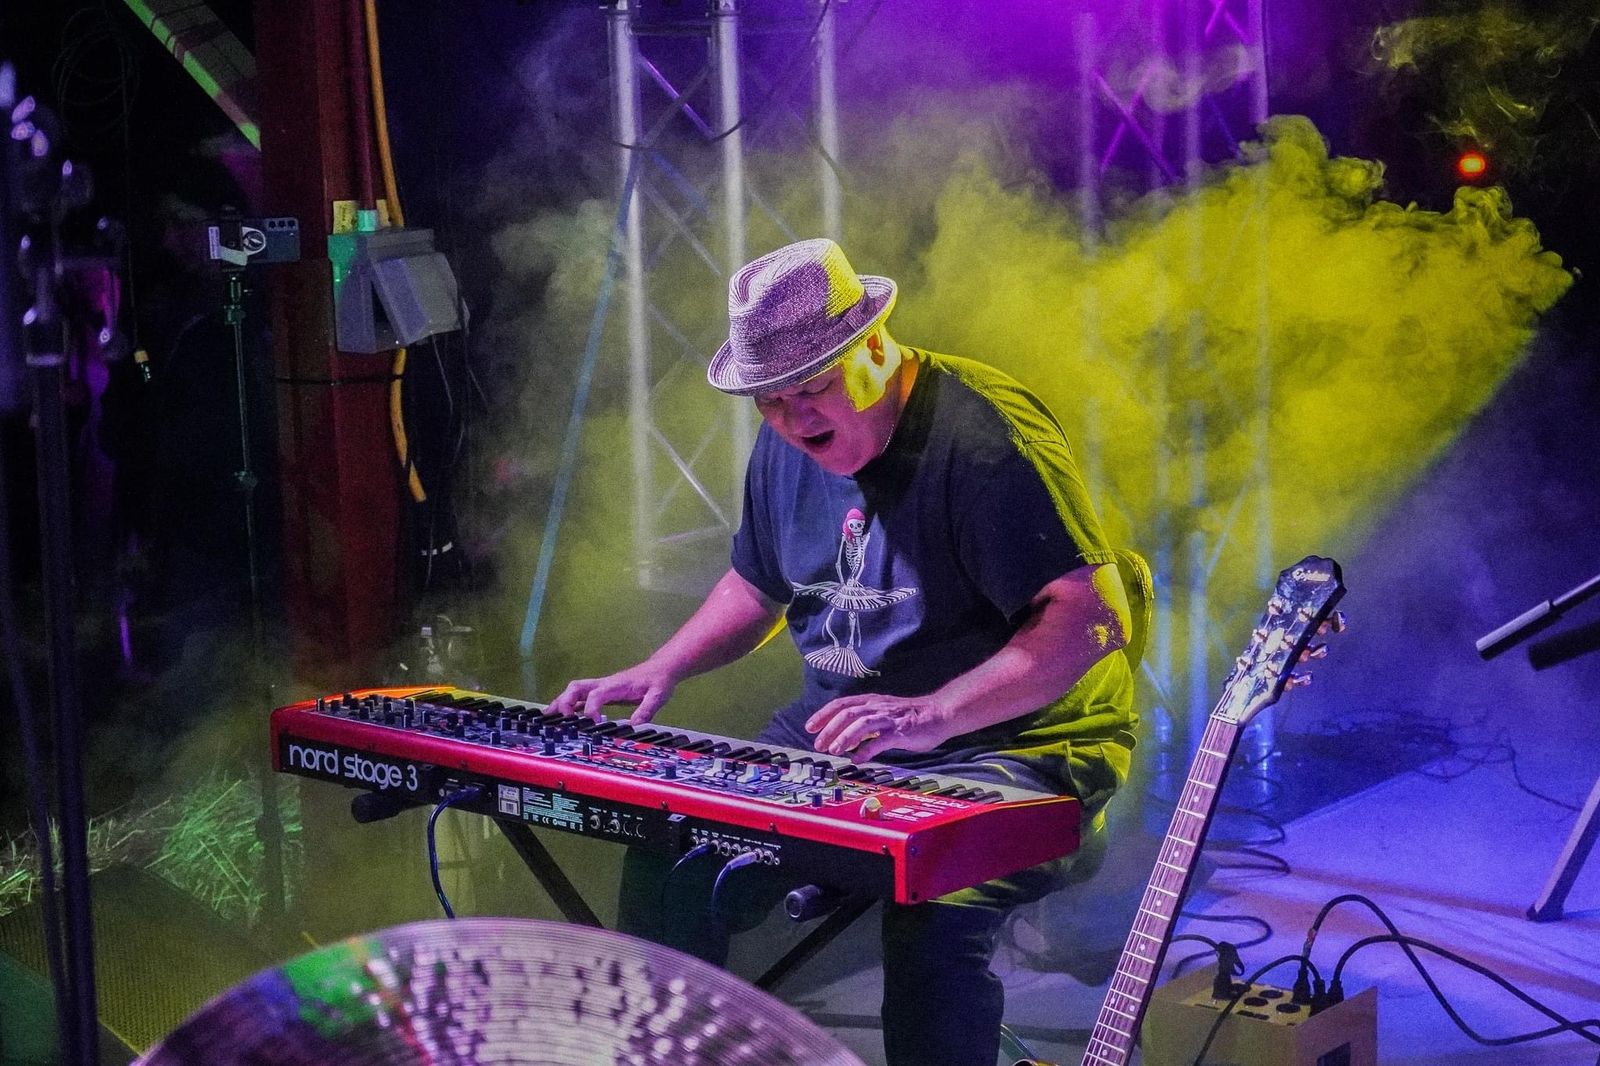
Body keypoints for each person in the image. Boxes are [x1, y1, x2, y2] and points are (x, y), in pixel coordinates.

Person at [550, 237, 1139, 1066]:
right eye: (770, 401)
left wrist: (932, 716)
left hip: (1018, 744)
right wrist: (662, 665)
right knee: (669, 846)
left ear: (873, 343)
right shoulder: (786, 443)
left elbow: (1093, 617)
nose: (795, 420)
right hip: (846, 732)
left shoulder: (983, 437)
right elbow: (755, 586)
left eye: (812, 389)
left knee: (934, 915)